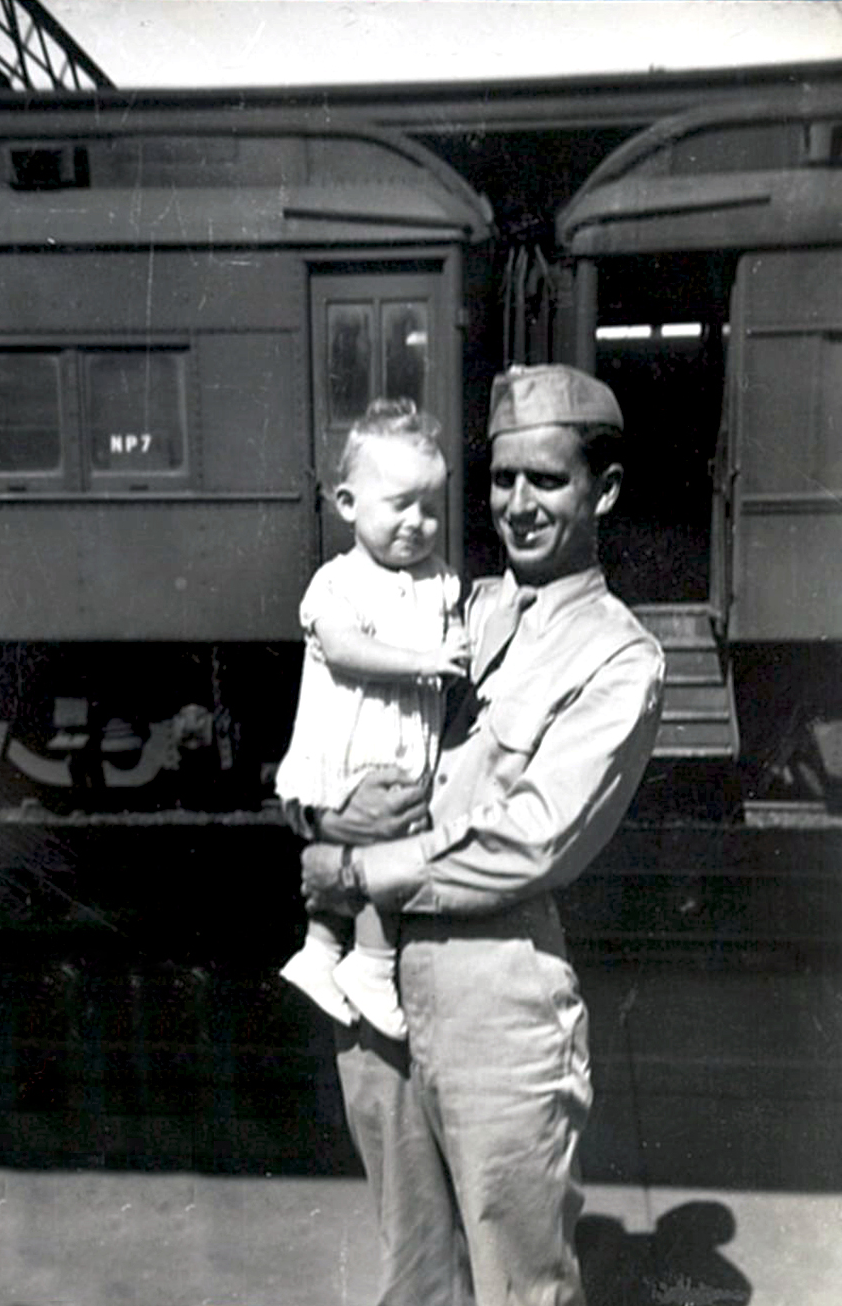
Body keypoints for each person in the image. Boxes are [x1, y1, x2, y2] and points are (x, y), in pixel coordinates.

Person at [297, 363, 666, 1306]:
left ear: (602, 492)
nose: (518, 504)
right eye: (503, 479)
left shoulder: (618, 657)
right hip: (378, 1000)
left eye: (546, 480)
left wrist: (358, 871)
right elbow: (340, 721)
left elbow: (534, 838)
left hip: (494, 1003)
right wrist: (315, 816)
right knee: (414, 1279)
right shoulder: (454, 606)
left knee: (518, 1286)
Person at [276, 398, 469, 1041]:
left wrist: (455, 643)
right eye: (400, 505)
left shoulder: (439, 580)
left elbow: (453, 634)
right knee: (384, 847)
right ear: (348, 504)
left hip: (404, 748)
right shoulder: (337, 583)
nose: (418, 522)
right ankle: (371, 965)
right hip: (353, 751)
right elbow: (343, 649)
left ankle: (320, 954)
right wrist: (425, 661)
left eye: (431, 507)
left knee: (372, 850)